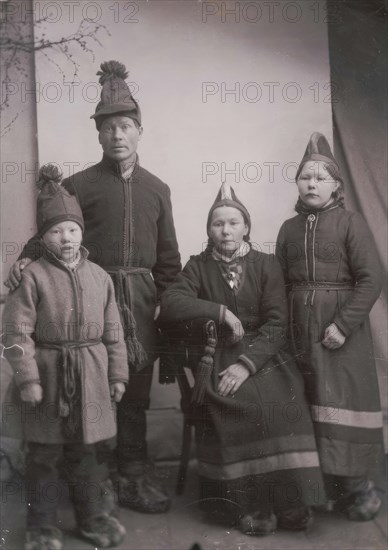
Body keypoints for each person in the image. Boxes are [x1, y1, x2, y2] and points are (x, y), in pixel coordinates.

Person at [5, 61, 181, 514]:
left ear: (139, 130)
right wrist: (25, 256)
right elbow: (51, 229)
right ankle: (91, 481)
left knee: (133, 393)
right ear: (98, 135)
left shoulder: (158, 188)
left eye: (125, 125)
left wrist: (165, 302)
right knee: (88, 392)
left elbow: (168, 259)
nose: (117, 135)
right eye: (108, 128)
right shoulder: (79, 184)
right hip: (88, 300)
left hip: (140, 306)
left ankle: (133, 476)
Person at [159, 182, 326, 535]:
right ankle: (249, 503)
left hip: (264, 353)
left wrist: (247, 364)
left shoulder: (266, 264)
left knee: (284, 404)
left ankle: (290, 499)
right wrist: (219, 311)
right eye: (218, 223)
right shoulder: (198, 266)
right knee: (241, 406)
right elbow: (171, 303)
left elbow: (278, 324)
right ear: (209, 229)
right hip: (218, 353)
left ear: (246, 227)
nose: (226, 230)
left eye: (233, 223)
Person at [2, 164, 129, 549]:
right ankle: (42, 526)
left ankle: (93, 518)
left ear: (82, 232)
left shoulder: (100, 277)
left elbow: (113, 333)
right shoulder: (33, 277)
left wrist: (117, 375)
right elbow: (14, 334)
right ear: (43, 237)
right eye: (56, 231)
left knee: (87, 454)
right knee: (43, 456)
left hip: (89, 377)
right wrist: (28, 379)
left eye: (72, 229)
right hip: (48, 378)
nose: (66, 237)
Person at [276, 132, 383, 521]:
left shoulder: (350, 223)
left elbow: (371, 279)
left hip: (340, 334)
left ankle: (360, 490)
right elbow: (281, 283)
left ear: (336, 186)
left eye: (321, 177)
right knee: (310, 406)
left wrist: (342, 324)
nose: (312, 184)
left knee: (342, 405)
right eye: (306, 176)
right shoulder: (287, 229)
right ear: (298, 183)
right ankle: (324, 490)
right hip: (299, 332)